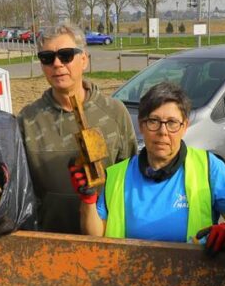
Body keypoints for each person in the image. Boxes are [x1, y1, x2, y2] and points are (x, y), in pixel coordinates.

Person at [76, 82, 225, 252]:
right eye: (154, 121)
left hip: (191, 268)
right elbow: (95, 237)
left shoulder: (208, 167)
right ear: (141, 125)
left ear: (184, 126)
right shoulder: (116, 176)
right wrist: (88, 200)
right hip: (127, 267)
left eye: (172, 122)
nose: (163, 131)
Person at [18, 22, 137, 234]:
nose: (57, 64)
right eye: (47, 57)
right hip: (49, 239)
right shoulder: (27, 120)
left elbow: (130, 180)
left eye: (66, 55)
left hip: (106, 238)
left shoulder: (115, 113)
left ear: (84, 60)